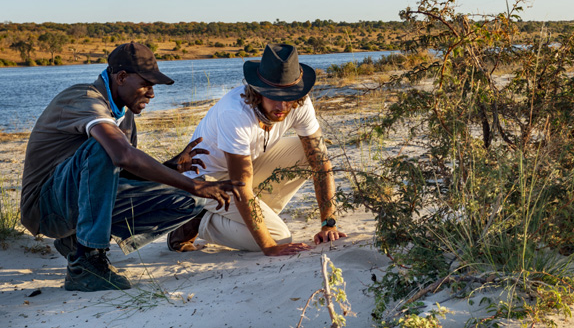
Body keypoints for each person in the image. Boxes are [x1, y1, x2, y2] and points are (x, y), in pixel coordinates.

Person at [20, 42, 242, 292]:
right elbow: (121, 156)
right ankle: (86, 263)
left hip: (79, 201)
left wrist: (170, 168)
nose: (151, 94)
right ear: (122, 77)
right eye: (146, 84)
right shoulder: (84, 99)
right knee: (104, 148)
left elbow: (118, 171)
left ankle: (76, 241)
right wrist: (195, 183)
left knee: (189, 202)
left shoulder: (125, 116)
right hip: (45, 208)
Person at [176, 43, 346, 256]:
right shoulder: (234, 113)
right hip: (208, 181)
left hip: (247, 167)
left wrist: (328, 223)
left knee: (311, 153)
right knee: (279, 237)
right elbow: (241, 185)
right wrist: (269, 247)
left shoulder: (299, 103)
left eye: (289, 96)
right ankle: (198, 221)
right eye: (275, 95)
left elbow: (321, 163)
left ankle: (247, 217)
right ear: (257, 91)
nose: (283, 107)